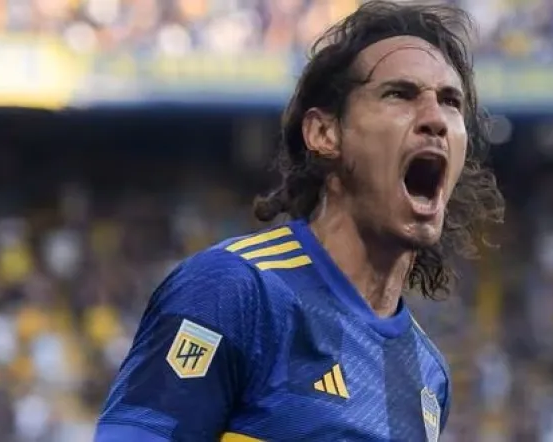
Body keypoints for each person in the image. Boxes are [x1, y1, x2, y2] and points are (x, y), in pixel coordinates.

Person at [94, 1, 504, 441]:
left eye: (450, 101)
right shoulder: (235, 291)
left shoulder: (428, 375)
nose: (435, 120)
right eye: (399, 94)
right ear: (324, 133)